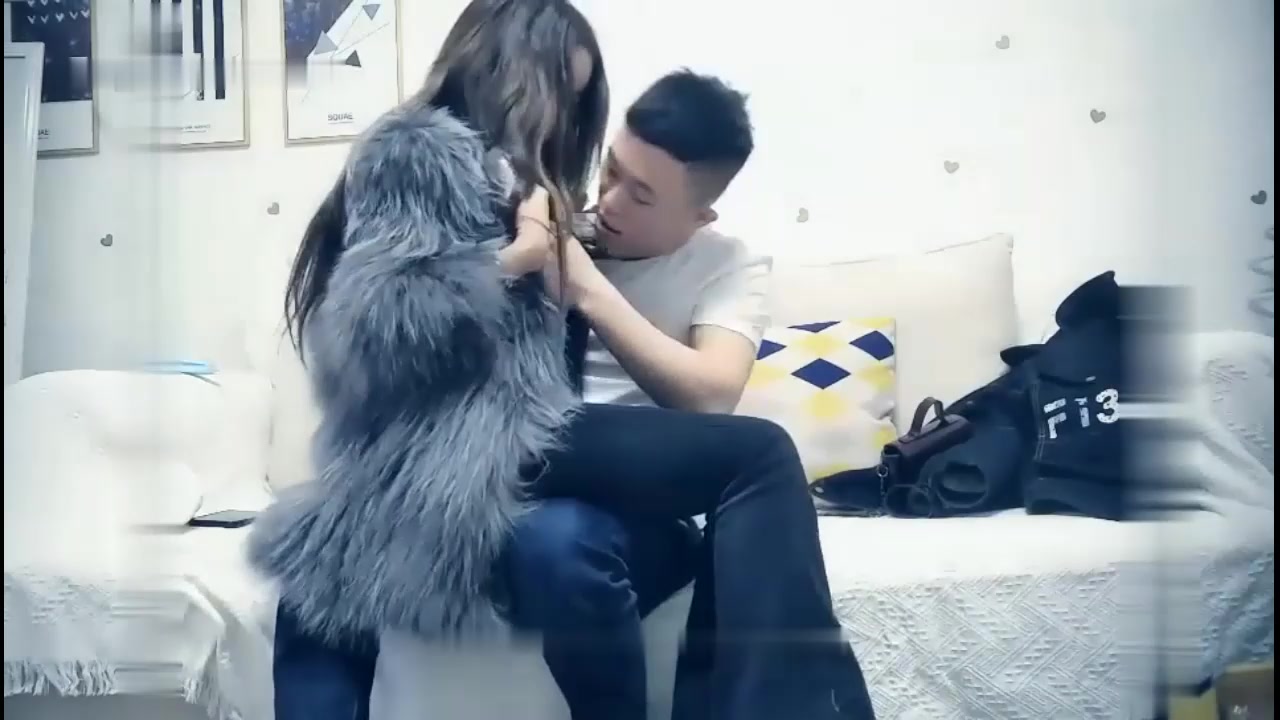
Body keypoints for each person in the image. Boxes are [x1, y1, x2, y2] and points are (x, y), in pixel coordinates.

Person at [253, 3, 877, 720]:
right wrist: (523, 252)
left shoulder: (723, 264)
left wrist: (578, 280)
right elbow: (399, 322)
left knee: (733, 464)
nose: (609, 201)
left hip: (611, 489)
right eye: (610, 169)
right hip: (517, 462)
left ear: (698, 216)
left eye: (642, 195)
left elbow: (710, 397)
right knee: (538, 538)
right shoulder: (502, 192)